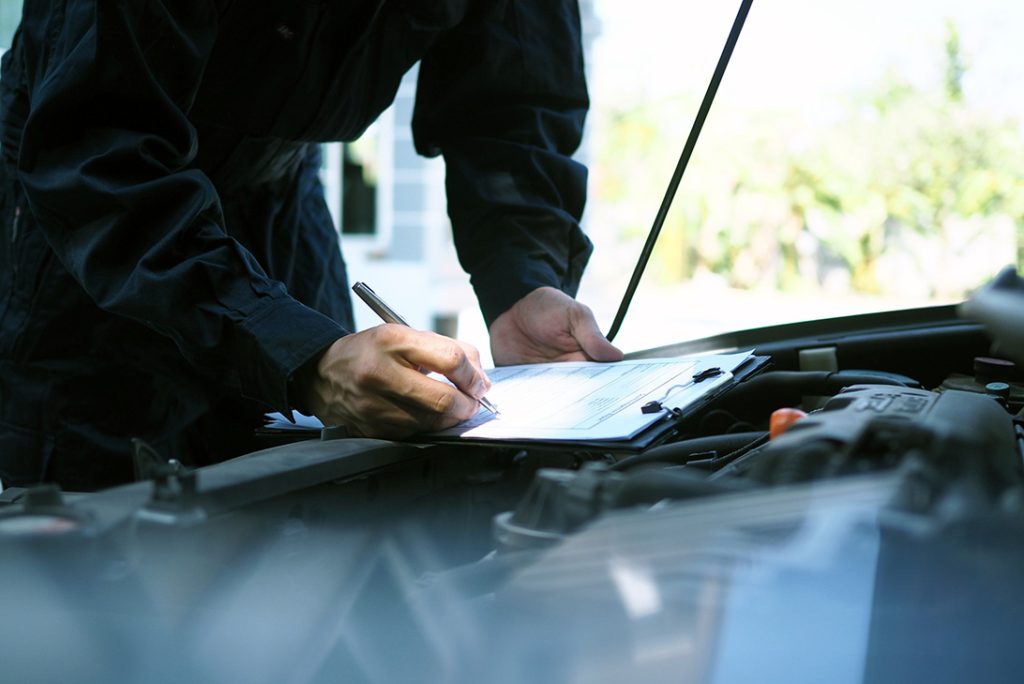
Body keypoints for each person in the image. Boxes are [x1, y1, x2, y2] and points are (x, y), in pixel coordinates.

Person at [0, 0, 622, 491]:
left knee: (326, 506)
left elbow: (512, 103)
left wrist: (520, 280)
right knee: (93, 541)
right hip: (84, 212)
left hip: (281, 197)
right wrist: (303, 355)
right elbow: (93, 147)